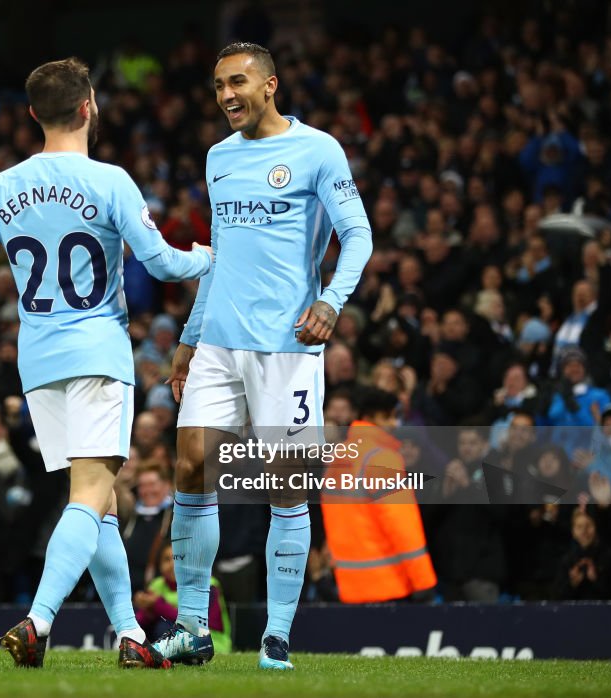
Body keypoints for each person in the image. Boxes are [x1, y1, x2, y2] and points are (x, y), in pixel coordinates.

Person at [0, 57, 212, 670]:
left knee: (100, 505)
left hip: (38, 361)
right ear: (90, 105)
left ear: (34, 113)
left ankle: (129, 635)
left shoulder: (1, 187)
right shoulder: (110, 181)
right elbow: (165, 265)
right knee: (92, 494)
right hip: (96, 352)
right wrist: (208, 258)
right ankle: (37, 622)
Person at [155, 42, 372, 670]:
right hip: (219, 342)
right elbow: (219, 254)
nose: (227, 95)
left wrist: (332, 300)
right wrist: (190, 338)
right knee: (191, 471)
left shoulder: (318, 150)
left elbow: (357, 233)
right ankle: (193, 629)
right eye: (219, 85)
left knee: (286, 491)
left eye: (239, 82)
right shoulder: (218, 159)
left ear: (271, 84)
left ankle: (276, 637)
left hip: (287, 346)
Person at [321, 388, 437, 603]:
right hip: (388, 584)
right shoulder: (382, 458)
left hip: (348, 585)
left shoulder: (340, 457)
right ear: (370, 417)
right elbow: (401, 523)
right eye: (388, 416)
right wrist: (423, 581)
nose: (394, 423)